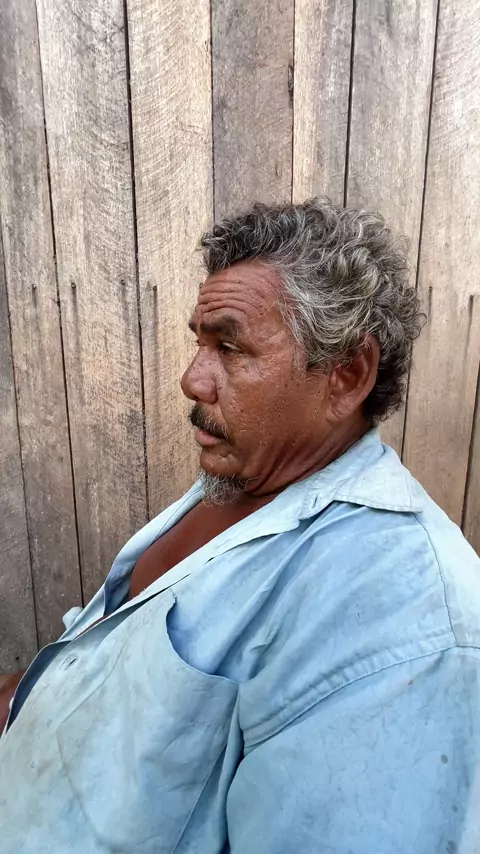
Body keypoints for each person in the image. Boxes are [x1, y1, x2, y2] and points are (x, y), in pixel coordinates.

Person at [1, 198, 479, 853]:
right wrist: (30, 700)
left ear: (347, 376)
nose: (191, 379)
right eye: (201, 341)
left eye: (230, 347)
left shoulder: (404, 618)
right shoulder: (239, 482)